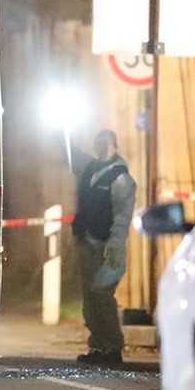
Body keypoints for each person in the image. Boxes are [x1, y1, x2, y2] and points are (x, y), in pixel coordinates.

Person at [69, 128, 138, 367]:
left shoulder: (121, 179)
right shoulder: (91, 170)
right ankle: (98, 345)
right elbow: (71, 159)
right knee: (91, 299)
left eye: (104, 143)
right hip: (87, 242)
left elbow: (122, 216)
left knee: (102, 295)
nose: (99, 147)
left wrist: (115, 246)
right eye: (97, 142)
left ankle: (113, 347)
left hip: (107, 245)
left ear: (114, 146)